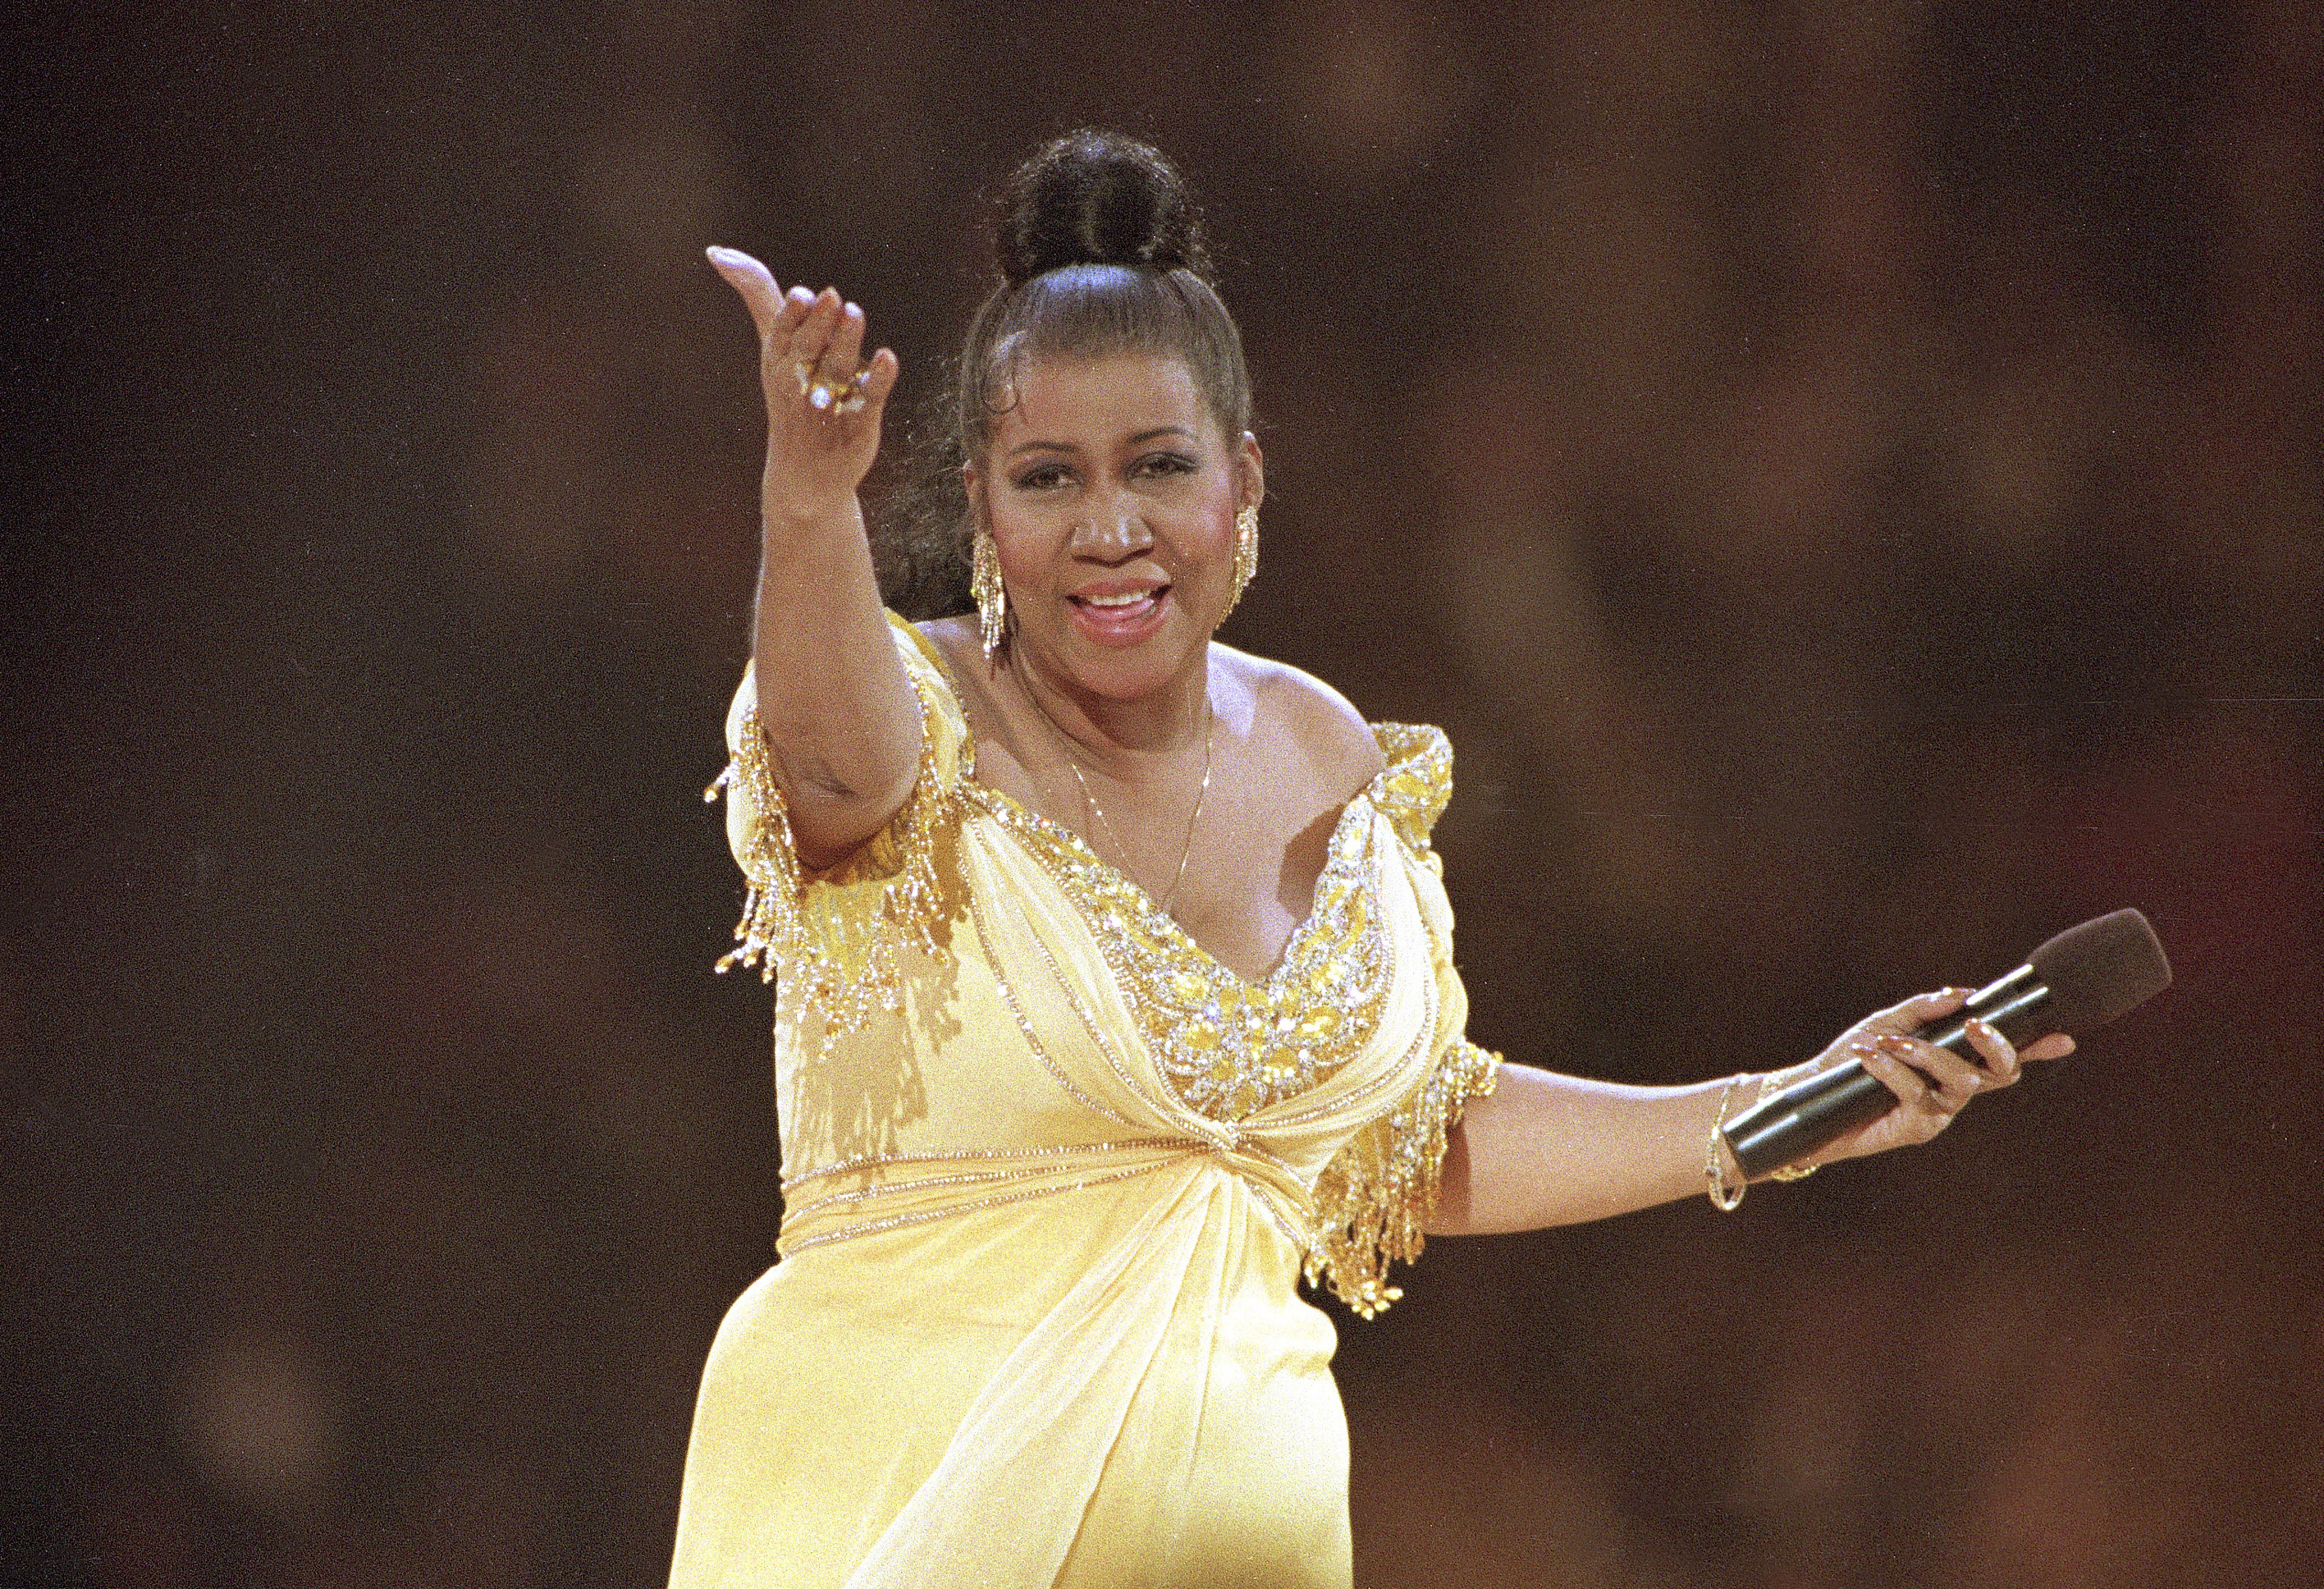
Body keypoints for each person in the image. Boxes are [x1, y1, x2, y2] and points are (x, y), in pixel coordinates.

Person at [669, 131, 2073, 1589]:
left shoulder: (1319, 746)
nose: (1111, 529)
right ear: (977, 504)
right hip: (908, 1503)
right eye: (1046, 478)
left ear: (1244, 482)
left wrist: (1787, 1107)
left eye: (1161, 467)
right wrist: (810, 496)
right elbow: (832, 773)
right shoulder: (913, 706)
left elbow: (1409, 1134)